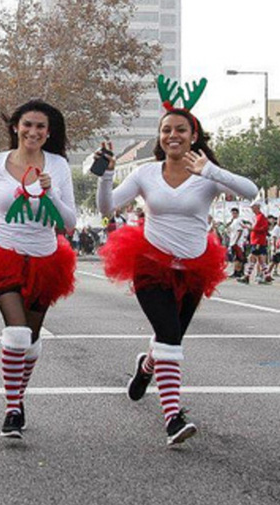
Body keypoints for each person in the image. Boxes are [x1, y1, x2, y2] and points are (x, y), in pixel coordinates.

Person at [95, 93, 258, 445]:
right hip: (151, 265)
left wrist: (210, 169)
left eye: (180, 130)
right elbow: (107, 207)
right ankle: (173, 418)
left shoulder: (207, 174)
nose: (173, 135)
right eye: (166, 130)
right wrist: (106, 177)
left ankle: (146, 366)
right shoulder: (146, 173)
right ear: (160, 137)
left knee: (171, 338)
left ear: (193, 135)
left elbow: (252, 192)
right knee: (169, 337)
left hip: (195, 267)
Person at [0, 100, 77, 439]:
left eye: (41, 127)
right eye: (28, 125)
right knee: (18, 333)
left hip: (46, 259)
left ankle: (18, 397)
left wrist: (51, 195)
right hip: (1, 255)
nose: (33, 132)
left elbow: (69, 222)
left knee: (32, 340)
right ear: (15, 127)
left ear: (49, 133)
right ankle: (12, 409)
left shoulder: (59, 165)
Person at [239, 201, 271, 284]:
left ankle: (247, 276)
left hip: (258, 241)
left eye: (253, 207)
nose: (252, 209)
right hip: (256, 240)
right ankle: (267, 275)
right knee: (260, 259)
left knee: (252, 258)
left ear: (257, 207)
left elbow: (257, 228)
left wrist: (246, 227)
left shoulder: (260, 217)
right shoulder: (257, 217)